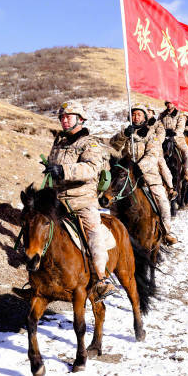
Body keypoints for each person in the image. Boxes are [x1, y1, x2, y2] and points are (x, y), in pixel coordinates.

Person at [43, 101, 118, 299]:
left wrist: (63, 170)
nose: (64, 120)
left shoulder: (90, 143)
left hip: (82, 201)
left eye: (69, 116)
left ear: (81, 119)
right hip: (58, 200)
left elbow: (91, 169)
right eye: (62, 117)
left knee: (93, 233)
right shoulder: (59, 143)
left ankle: (102, 279)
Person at [110, 103, 178, 245]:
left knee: (162, 202)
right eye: (133, 114)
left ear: (144, 117)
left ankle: (166, 232)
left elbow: (152, 155)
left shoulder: (151, 135)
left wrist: (138, 168)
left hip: (147, 177)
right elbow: (113, 146)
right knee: (113, 201)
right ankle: (114, 231)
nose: (135, 117)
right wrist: (124, 135)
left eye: (139, 114)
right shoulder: (126, 132)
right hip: (126, 178)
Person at [146, 107, 178, 201]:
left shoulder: (158, 124)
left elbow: (160, 136)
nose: (148, 114)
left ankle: (170, 188)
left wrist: (153, 142)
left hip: (155, 150)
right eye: (146, 112)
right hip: (141, 150)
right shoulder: (142, 124)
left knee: (162, 166)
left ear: (153, 113)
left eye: (150, 112)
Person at [159, 101, 188, 182]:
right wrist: (163, 133)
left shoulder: (179, 114)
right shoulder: (162, 115)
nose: (169, 105)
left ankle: (186, 172)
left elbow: (181, 127)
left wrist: (174, 133)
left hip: (178, 138)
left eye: (171, 103)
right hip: (164, 137)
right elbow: (158, 125)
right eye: (168, 103)